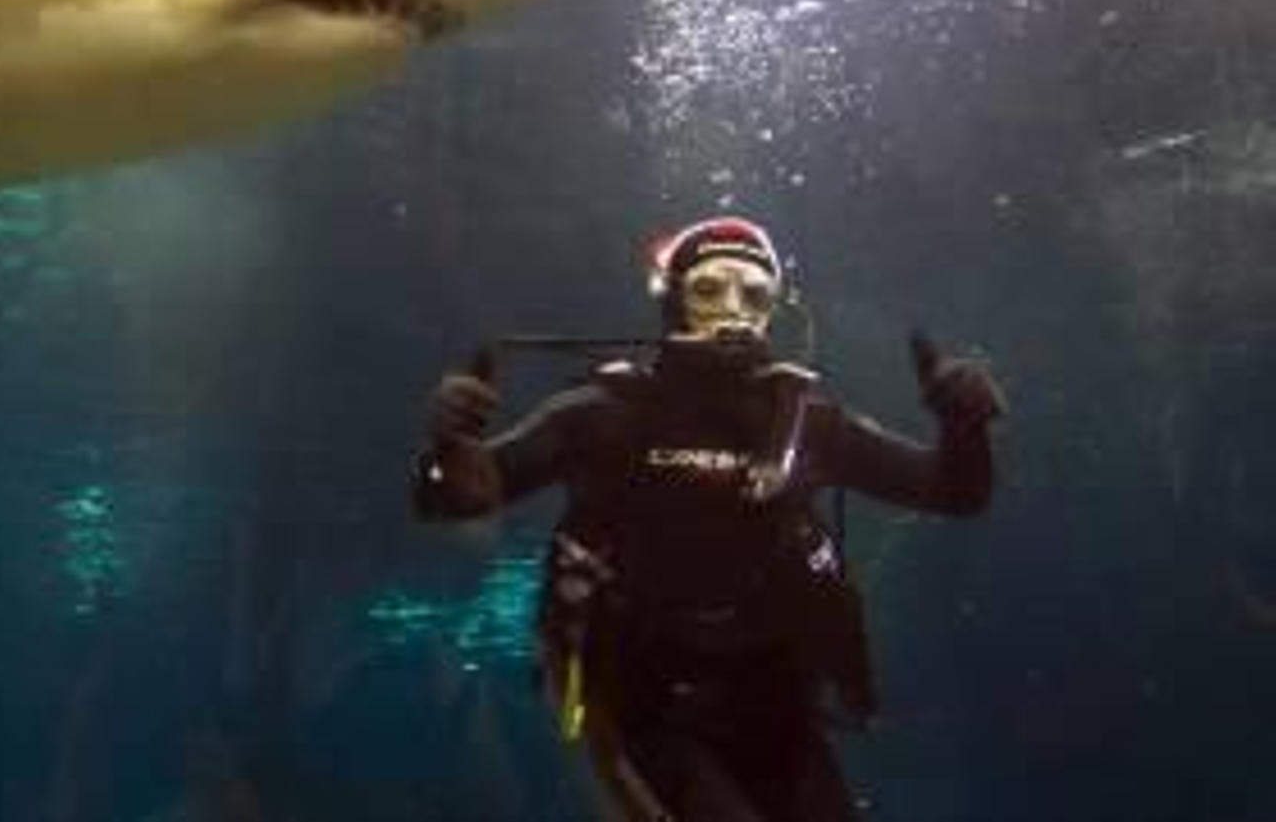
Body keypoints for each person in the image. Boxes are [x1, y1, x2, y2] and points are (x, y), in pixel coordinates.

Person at [411, 216, 1005, 822]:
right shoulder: (601, 416)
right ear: (672, 300)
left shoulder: (808, 423)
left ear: (773, 310)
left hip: (775, 697)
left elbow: (956, 492)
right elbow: (448, 499)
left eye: (754, 293)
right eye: (708, 288)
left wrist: (966, 430)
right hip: (646, 698)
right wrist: (447, 454)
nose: (733, 308)